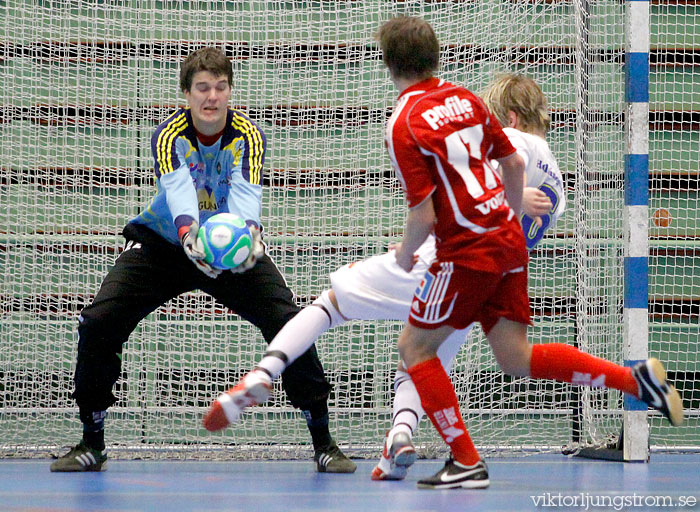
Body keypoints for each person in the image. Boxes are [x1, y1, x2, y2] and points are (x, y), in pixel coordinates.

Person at [204, 18, 683, 486]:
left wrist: (406, 253)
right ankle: (635, 381)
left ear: (388, 64)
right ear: (436, 57)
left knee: (392, 336)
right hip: (508, 248)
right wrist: (509, 210)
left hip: (461, 251)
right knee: (512, 357)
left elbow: (426, 212)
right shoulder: (468, 101)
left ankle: (457, 455)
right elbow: (512, 166)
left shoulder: (406, 121)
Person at [50, 47, 356, 474]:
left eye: (220, 87)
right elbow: (177, 191)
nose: (212, 97)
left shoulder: (247, 136)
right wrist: (188, 233)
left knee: (291, 322)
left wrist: (249, 235)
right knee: (100, 322)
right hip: (164, 245)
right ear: (187, 93)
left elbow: (248, 194)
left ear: (230, 90)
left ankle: (323, 442)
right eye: (202, 88)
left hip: (230, 249)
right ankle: (91, 440)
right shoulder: (168, 134)